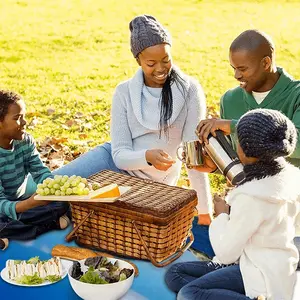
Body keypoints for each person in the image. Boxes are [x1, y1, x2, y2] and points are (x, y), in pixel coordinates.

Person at [53, 15, 213, 226]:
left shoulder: (190, 90)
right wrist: (146, 156)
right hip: (114, 163)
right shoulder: (124, 92)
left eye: (166, 59)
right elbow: (119, 155)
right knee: (50, 187)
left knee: (98, 217)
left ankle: (65, 216)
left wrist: (204, 210)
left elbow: (193, 156)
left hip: (150, 184)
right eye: (151, 63)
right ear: (138, 60)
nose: (160, 68)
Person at [165, 108, 300, 300]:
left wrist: (222, 215)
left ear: (244, 150)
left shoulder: (251, 197)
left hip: (259, 274)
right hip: (273, 266)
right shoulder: (291, 178)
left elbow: (226, 252)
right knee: (175, 274)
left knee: (189, 293)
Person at [194, 29, 300, 257]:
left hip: (287, 207)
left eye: (242, 69)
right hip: (247, 206)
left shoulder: (296, 95)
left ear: (266, 62)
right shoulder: (230, 99)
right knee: (190, 228)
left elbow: (297, 143)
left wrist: (235, 126)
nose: (236, 76)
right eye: (233, 68)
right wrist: (215, 166)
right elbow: (241, 161)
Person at [0, 90, 70, 249]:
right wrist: (29, 204)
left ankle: (9, 233)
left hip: (20, 202)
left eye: (23, 116)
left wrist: (55, 190)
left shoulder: (24, 141)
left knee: (62, 204)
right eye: (17, 118)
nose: (24, 122)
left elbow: (40, 172)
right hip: (6, 207)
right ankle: (48, 225)